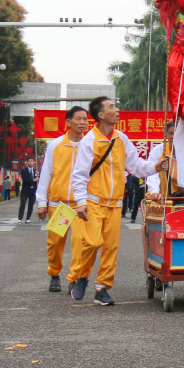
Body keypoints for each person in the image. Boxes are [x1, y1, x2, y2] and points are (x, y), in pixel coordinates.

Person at [68, 96, 166, 306]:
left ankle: (102, 288)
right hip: (93, 201)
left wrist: (155, 167)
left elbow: (137, 166)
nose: (117, 109)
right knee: (93, 242)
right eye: (112, 107)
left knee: (111, 247)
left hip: (115, 203)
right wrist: (81, 202)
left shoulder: (121, 139)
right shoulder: (89, 141)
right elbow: (79, 175)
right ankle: (82, 275)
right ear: (101, 115)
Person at [36, 106, 87, 293]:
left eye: (85, 119)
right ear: (68, 122)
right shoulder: (55, 145)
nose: (82, 123)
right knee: (55, 243)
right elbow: (46, 175)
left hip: (80, 206)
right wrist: (42, 202)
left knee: (80, 242)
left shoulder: (89, 146)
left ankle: (73, 278)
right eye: (78, 119)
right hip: (60, 206)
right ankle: (54, 273)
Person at [145, 121, 179, 204]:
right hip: (159, 198)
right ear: (166, 135)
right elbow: (152, 172)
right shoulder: (158, 151)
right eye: (170, 133)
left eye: (176, 133)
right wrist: (154, 191)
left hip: (181, 198)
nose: (173, 137)